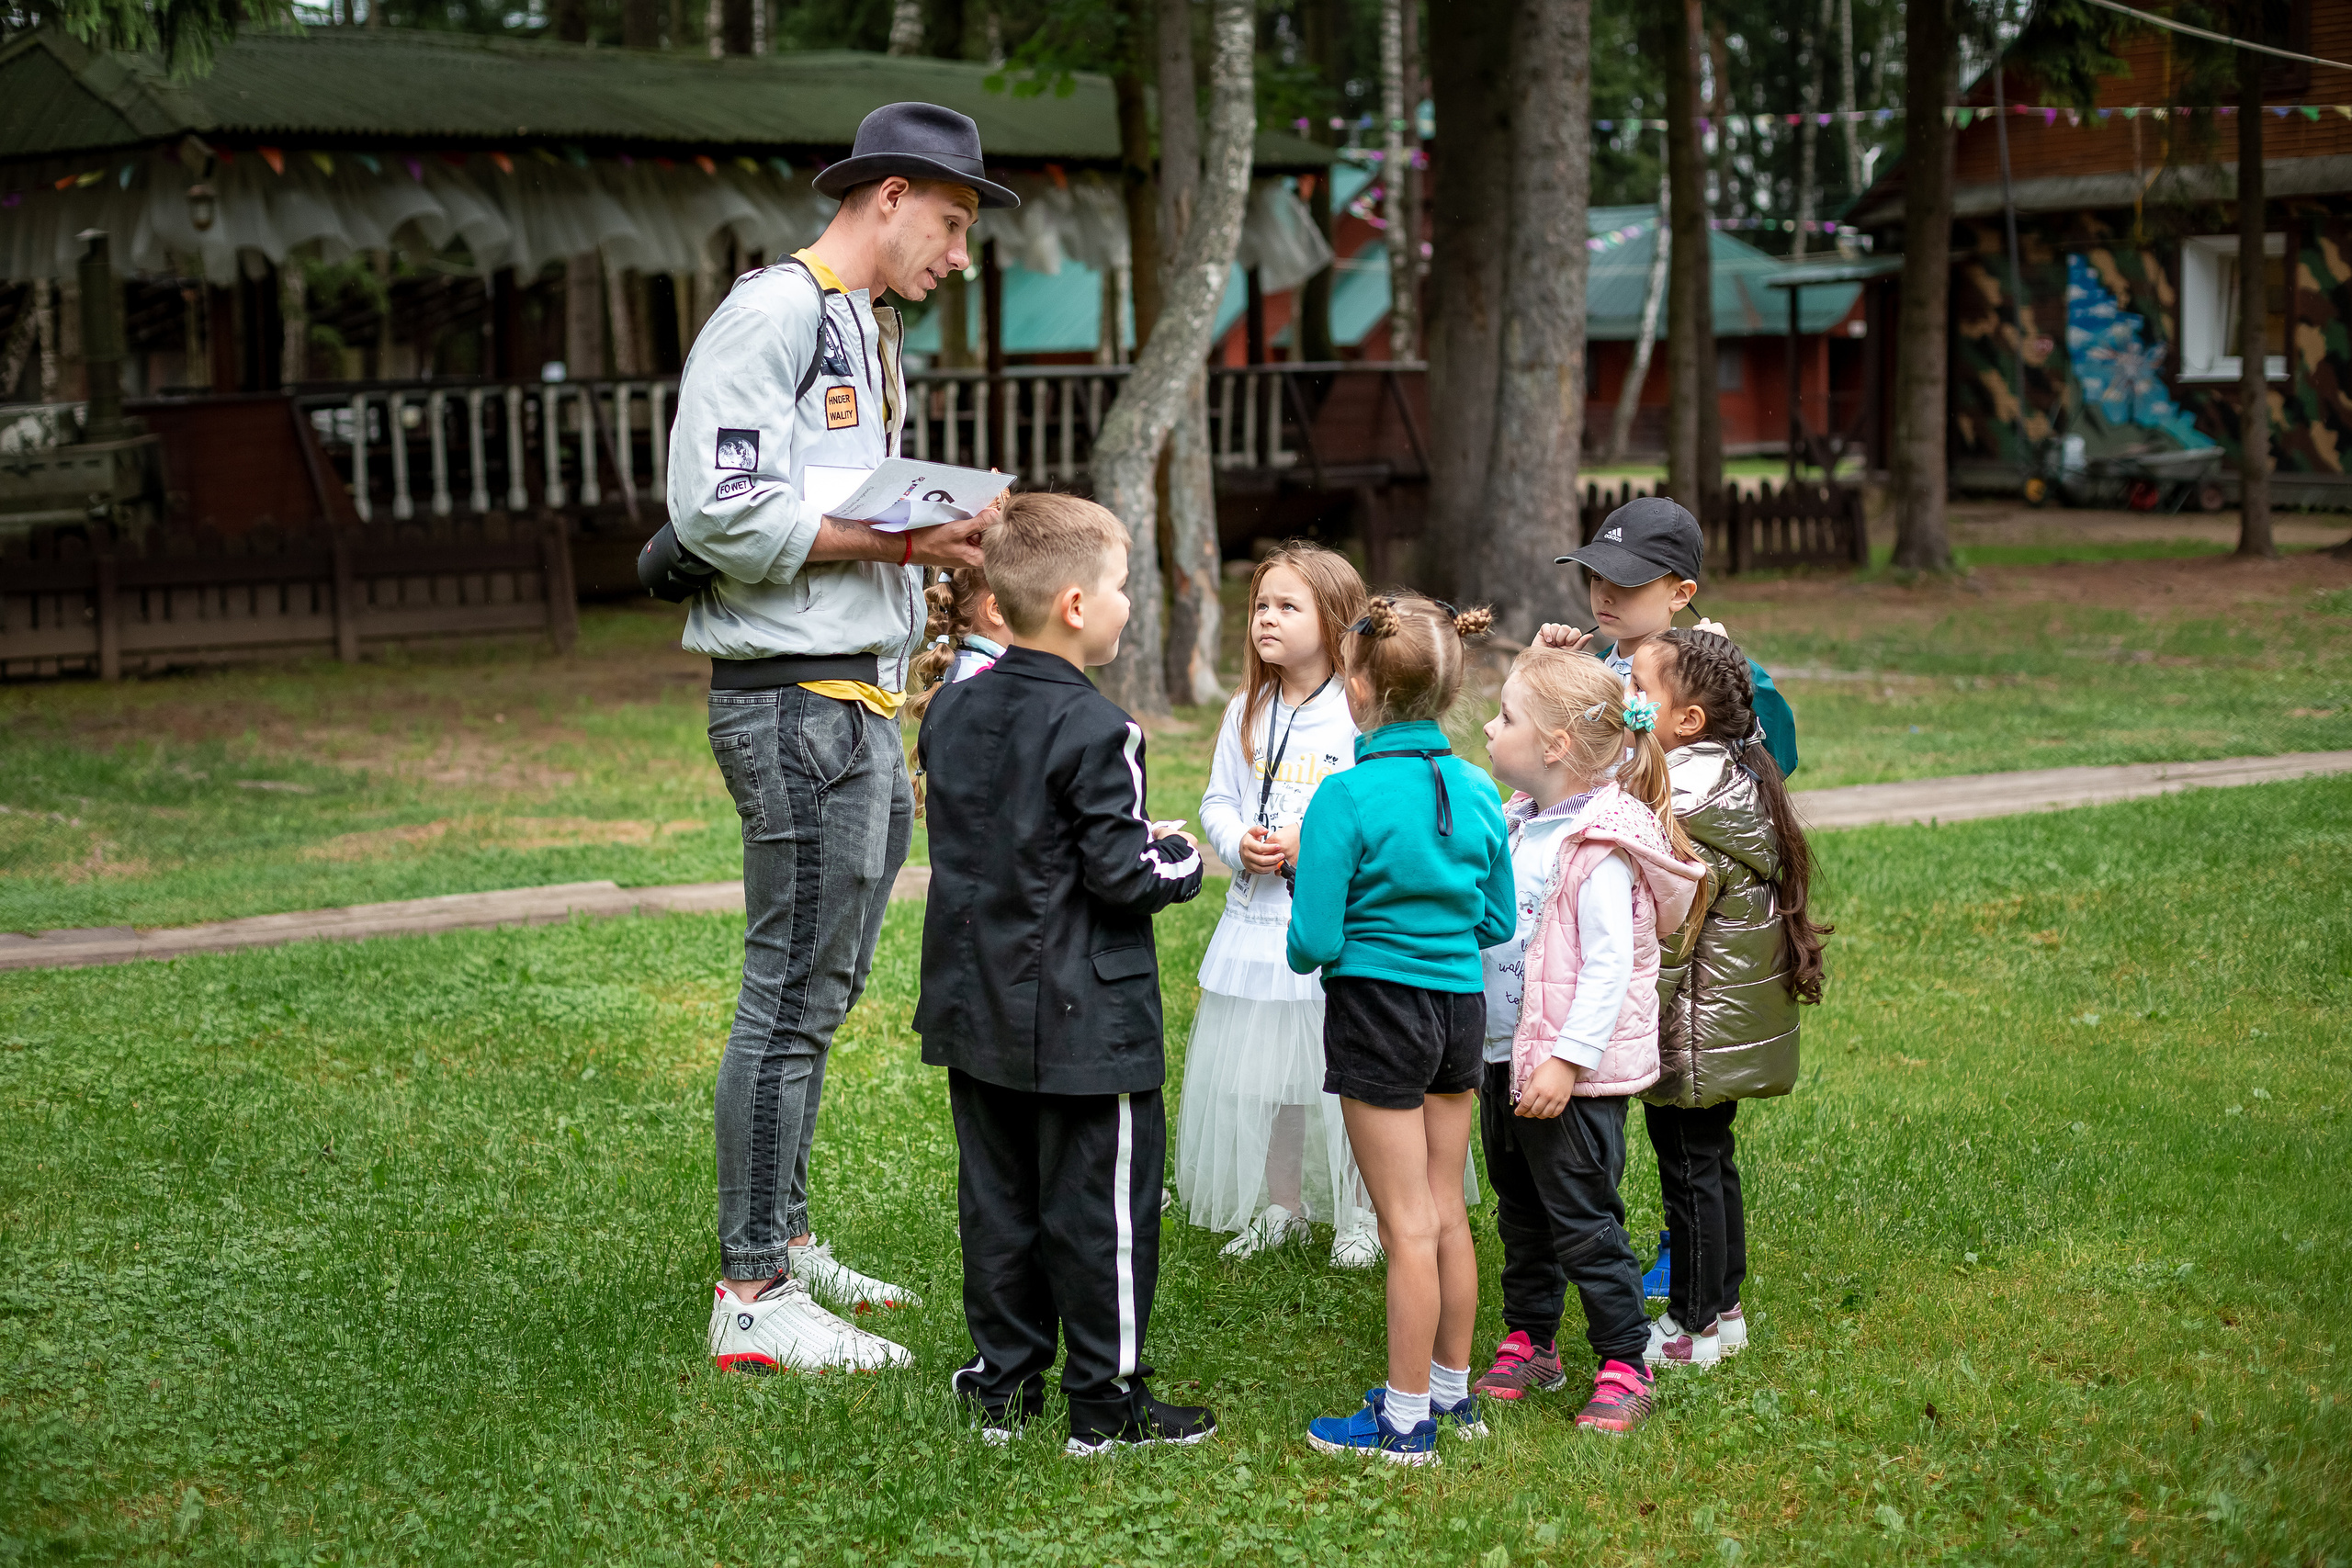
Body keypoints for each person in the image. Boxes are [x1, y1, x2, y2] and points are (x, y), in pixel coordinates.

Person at [682, 103, 1019, 1374]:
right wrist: (899, 540)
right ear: (889, 196)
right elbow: (715, 509)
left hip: (865, 695)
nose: (957, 252)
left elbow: (830, 500)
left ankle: (786, 1231)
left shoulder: (862, 330)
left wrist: (930, 548)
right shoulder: (771, 314)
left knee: (823, 991)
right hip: (793, 697)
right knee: (784, 993)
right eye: (950, 222)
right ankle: (753, 1292)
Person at [912, 493, 1217, 1455]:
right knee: (1103, 1216)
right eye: (1123, 587)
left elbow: (996, 840)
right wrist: (1181, 858)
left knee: (997, 1204)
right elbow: (1122, 876)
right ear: (1077, 606)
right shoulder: (1100, 730)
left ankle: (1001, 1388)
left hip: (977, 1005)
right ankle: (1106, 1406)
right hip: (1088, 1024)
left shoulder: (952, 708)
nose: (1129, 604)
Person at [1290, 596, 1515, 1466]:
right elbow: (1494, 918)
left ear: (1358, 689)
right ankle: (1455, 1397)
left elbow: (1311, 941)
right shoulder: (1475, 785)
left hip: (1377, 1010)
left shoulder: (1343, 796)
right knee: (1446, 1208)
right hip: (1459, 1010)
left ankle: (1404, 1418)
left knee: (1404, 1224)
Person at [1470, 648, 1705, 1436]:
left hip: (1569, 1079)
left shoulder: (1599, 846)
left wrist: (1567, 1060)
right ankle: (1532, 1339)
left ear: (1556, 746)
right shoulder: (1520, 822)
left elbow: (1610, 968)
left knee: (1584, 1219)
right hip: (1505, 1060)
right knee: (1521, 1212)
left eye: (1505, 717)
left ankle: (1624, 1360)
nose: (1488, 726)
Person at [1626, 627, 1831, 1368]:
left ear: (1688, 720)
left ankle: (1693, 1328)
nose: (1628, 696)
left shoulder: (1683, 801)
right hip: (1719, 1024)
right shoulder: (1725, 776)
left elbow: (1673, 937)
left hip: (1693, 1026)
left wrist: (1633, 1019)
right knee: (1710, 1160)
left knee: (1687, 1170)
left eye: (1640, 688)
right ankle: (1726, 1310)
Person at [1176, 544, 1384, 1267]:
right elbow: (1217, 799)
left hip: (1332, 922)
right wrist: (1238, 842)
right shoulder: (1247, 707)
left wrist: (1309, 840)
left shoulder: (1356, 715)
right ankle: (1283, 1203)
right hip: (1257, 919)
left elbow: (1373, 805)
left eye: (1287, 606)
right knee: (1271, 1075)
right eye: (1261, 604)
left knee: (1345, 1068)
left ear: (1332, 623)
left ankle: (1363, 1211)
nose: (1267, 617)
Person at [1541, 496, 1799, 779]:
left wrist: (1734, 672)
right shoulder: (1588, 672)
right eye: (1596, 577)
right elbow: (1542, 756)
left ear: (1679, 594)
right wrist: (1542, 671)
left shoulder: (1695, 681)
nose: (1604, 595)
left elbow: (1779, 757)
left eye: (1625, 582)